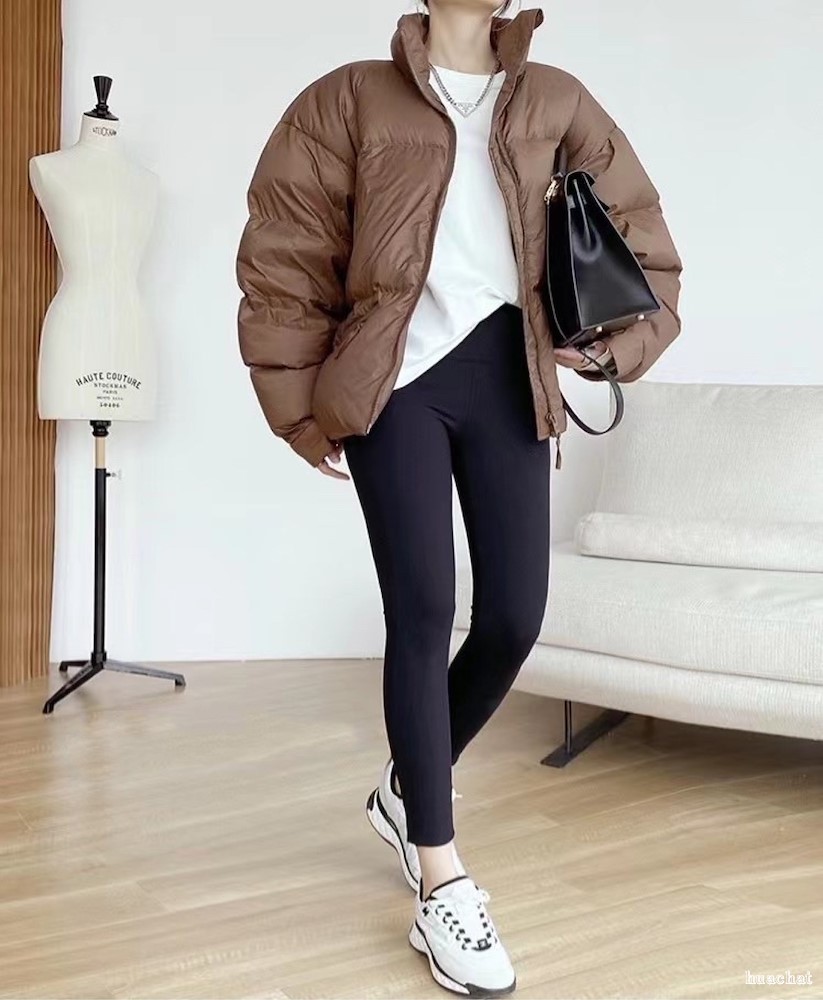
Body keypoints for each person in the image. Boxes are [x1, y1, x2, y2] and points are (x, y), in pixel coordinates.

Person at [235, 1, 682, 994]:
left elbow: (642, 240)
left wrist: (613, 346)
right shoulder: (348, 99)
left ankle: (407, 788)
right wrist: (300, 408)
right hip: (393, 382)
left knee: (515, 614)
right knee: (423, 608)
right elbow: (285, 254)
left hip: (508, 376)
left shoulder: (556, 99)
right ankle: (439, 874)